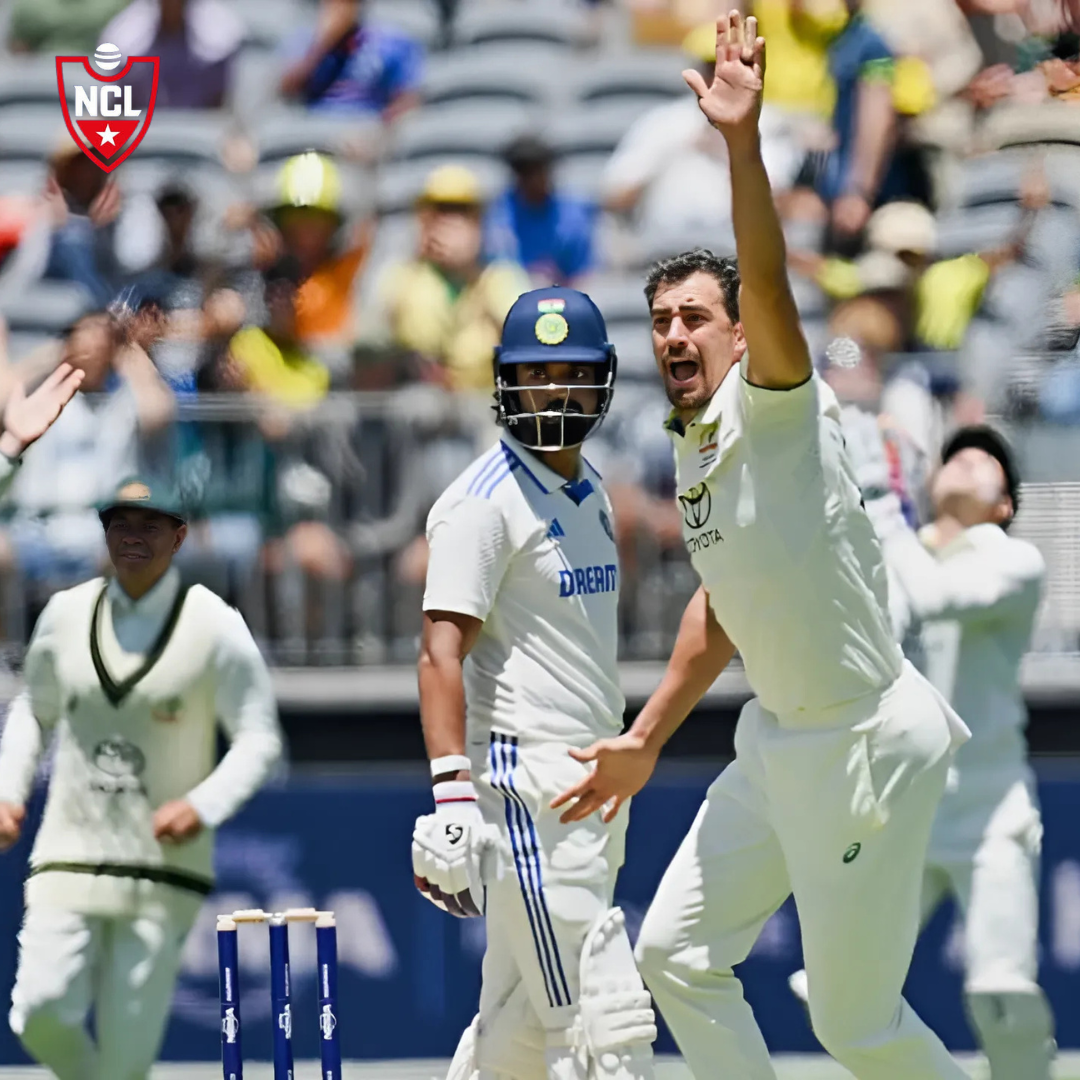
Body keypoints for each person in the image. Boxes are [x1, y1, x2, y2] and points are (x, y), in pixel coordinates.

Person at [553, 14, 972, 1080]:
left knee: (856, 1027)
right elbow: (721, 603)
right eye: (660, 321)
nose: (676, 336)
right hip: (778, 739)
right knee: (678, 955)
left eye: (697, 316)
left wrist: (741, 146)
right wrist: (646, 737)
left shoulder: (776, 402)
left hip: (865, 742)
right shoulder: (696, 448)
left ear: (741, 334)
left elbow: (772, 279)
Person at [411, 287, 657, 1080]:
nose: (555, 389)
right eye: (535, 372)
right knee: (594, 1021)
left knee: (516, 1026)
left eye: (573, 373)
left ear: (604, 383)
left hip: (593, 782)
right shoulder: (480, 506)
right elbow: (439, 652)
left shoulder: (592, 493)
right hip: (524, 783)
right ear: (504, 383)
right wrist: (452, 796)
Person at [788, 421, 1054, 1079]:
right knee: (841, 989)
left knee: (1004, 998)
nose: (965, 462)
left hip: (991, 815)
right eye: (954, 455)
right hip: (909, 810)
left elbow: (934, 599)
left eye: (983, 461)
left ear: (1005, 506)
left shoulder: (1013, 562)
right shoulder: (897, 550)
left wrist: (880, 495)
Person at [0, 475, 283, 1080]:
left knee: (127, 1059)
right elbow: (33, 710)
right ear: (104, 533)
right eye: (120, 524)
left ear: (179, 537)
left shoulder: (215, 624)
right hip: (67, 857)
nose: (132, 536)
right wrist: (7, 790)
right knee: (38, 1014)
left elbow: (259, 738)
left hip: (162, 871)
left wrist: (202, 805)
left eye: (149, 525)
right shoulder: (64, 613)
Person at [361, 165, 530, 391]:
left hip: (485, 404)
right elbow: (368, 342)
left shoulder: (500, 277)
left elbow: (528, 340)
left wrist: (468, 270)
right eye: (441, 210)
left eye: (461, 211)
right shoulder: (400, 275)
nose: (450, 220)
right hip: (415, 405)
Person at [280, 0, 423, 123]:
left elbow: (408, 101)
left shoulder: (393, 42)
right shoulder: (304, 40)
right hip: (313, 123)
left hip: (365, 126)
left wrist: (380, 134)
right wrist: (322, 44)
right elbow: (288, 91)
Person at [485, 136, 597, 287]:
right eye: (524, 171)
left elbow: (582, 274)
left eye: (537, 170)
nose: (532, 180)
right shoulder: (499, 216)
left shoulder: (571, 217)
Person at [100, 0, 245, 110]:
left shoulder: (219, 40)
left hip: (197, 139)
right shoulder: (124, 38)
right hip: (142, 140)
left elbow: (220, 107)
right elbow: (116, 108)